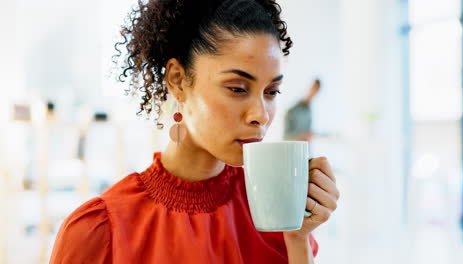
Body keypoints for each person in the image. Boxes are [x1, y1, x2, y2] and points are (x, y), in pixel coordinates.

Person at [49, 0, 340, 263]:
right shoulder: (102, 229)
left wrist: (298, 238)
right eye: (237, 89)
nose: (261, 115)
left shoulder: (275, 220)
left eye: (272, 92)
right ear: (177, 80)